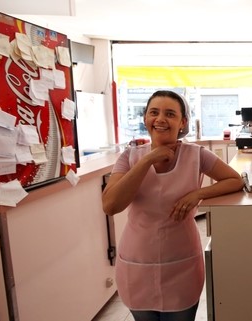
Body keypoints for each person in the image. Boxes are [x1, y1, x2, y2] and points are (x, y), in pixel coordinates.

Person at [102, 90, 244, 321]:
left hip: (182, 263)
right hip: (137, 263)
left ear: (182, 122)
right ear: (146, 119)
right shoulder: (129, 157)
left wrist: (197, 194)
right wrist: (148, 159)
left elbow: (235, 180)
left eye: (170, 114)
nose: (160, 119)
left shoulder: (197, 155)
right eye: (154, 112)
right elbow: (110, 205)